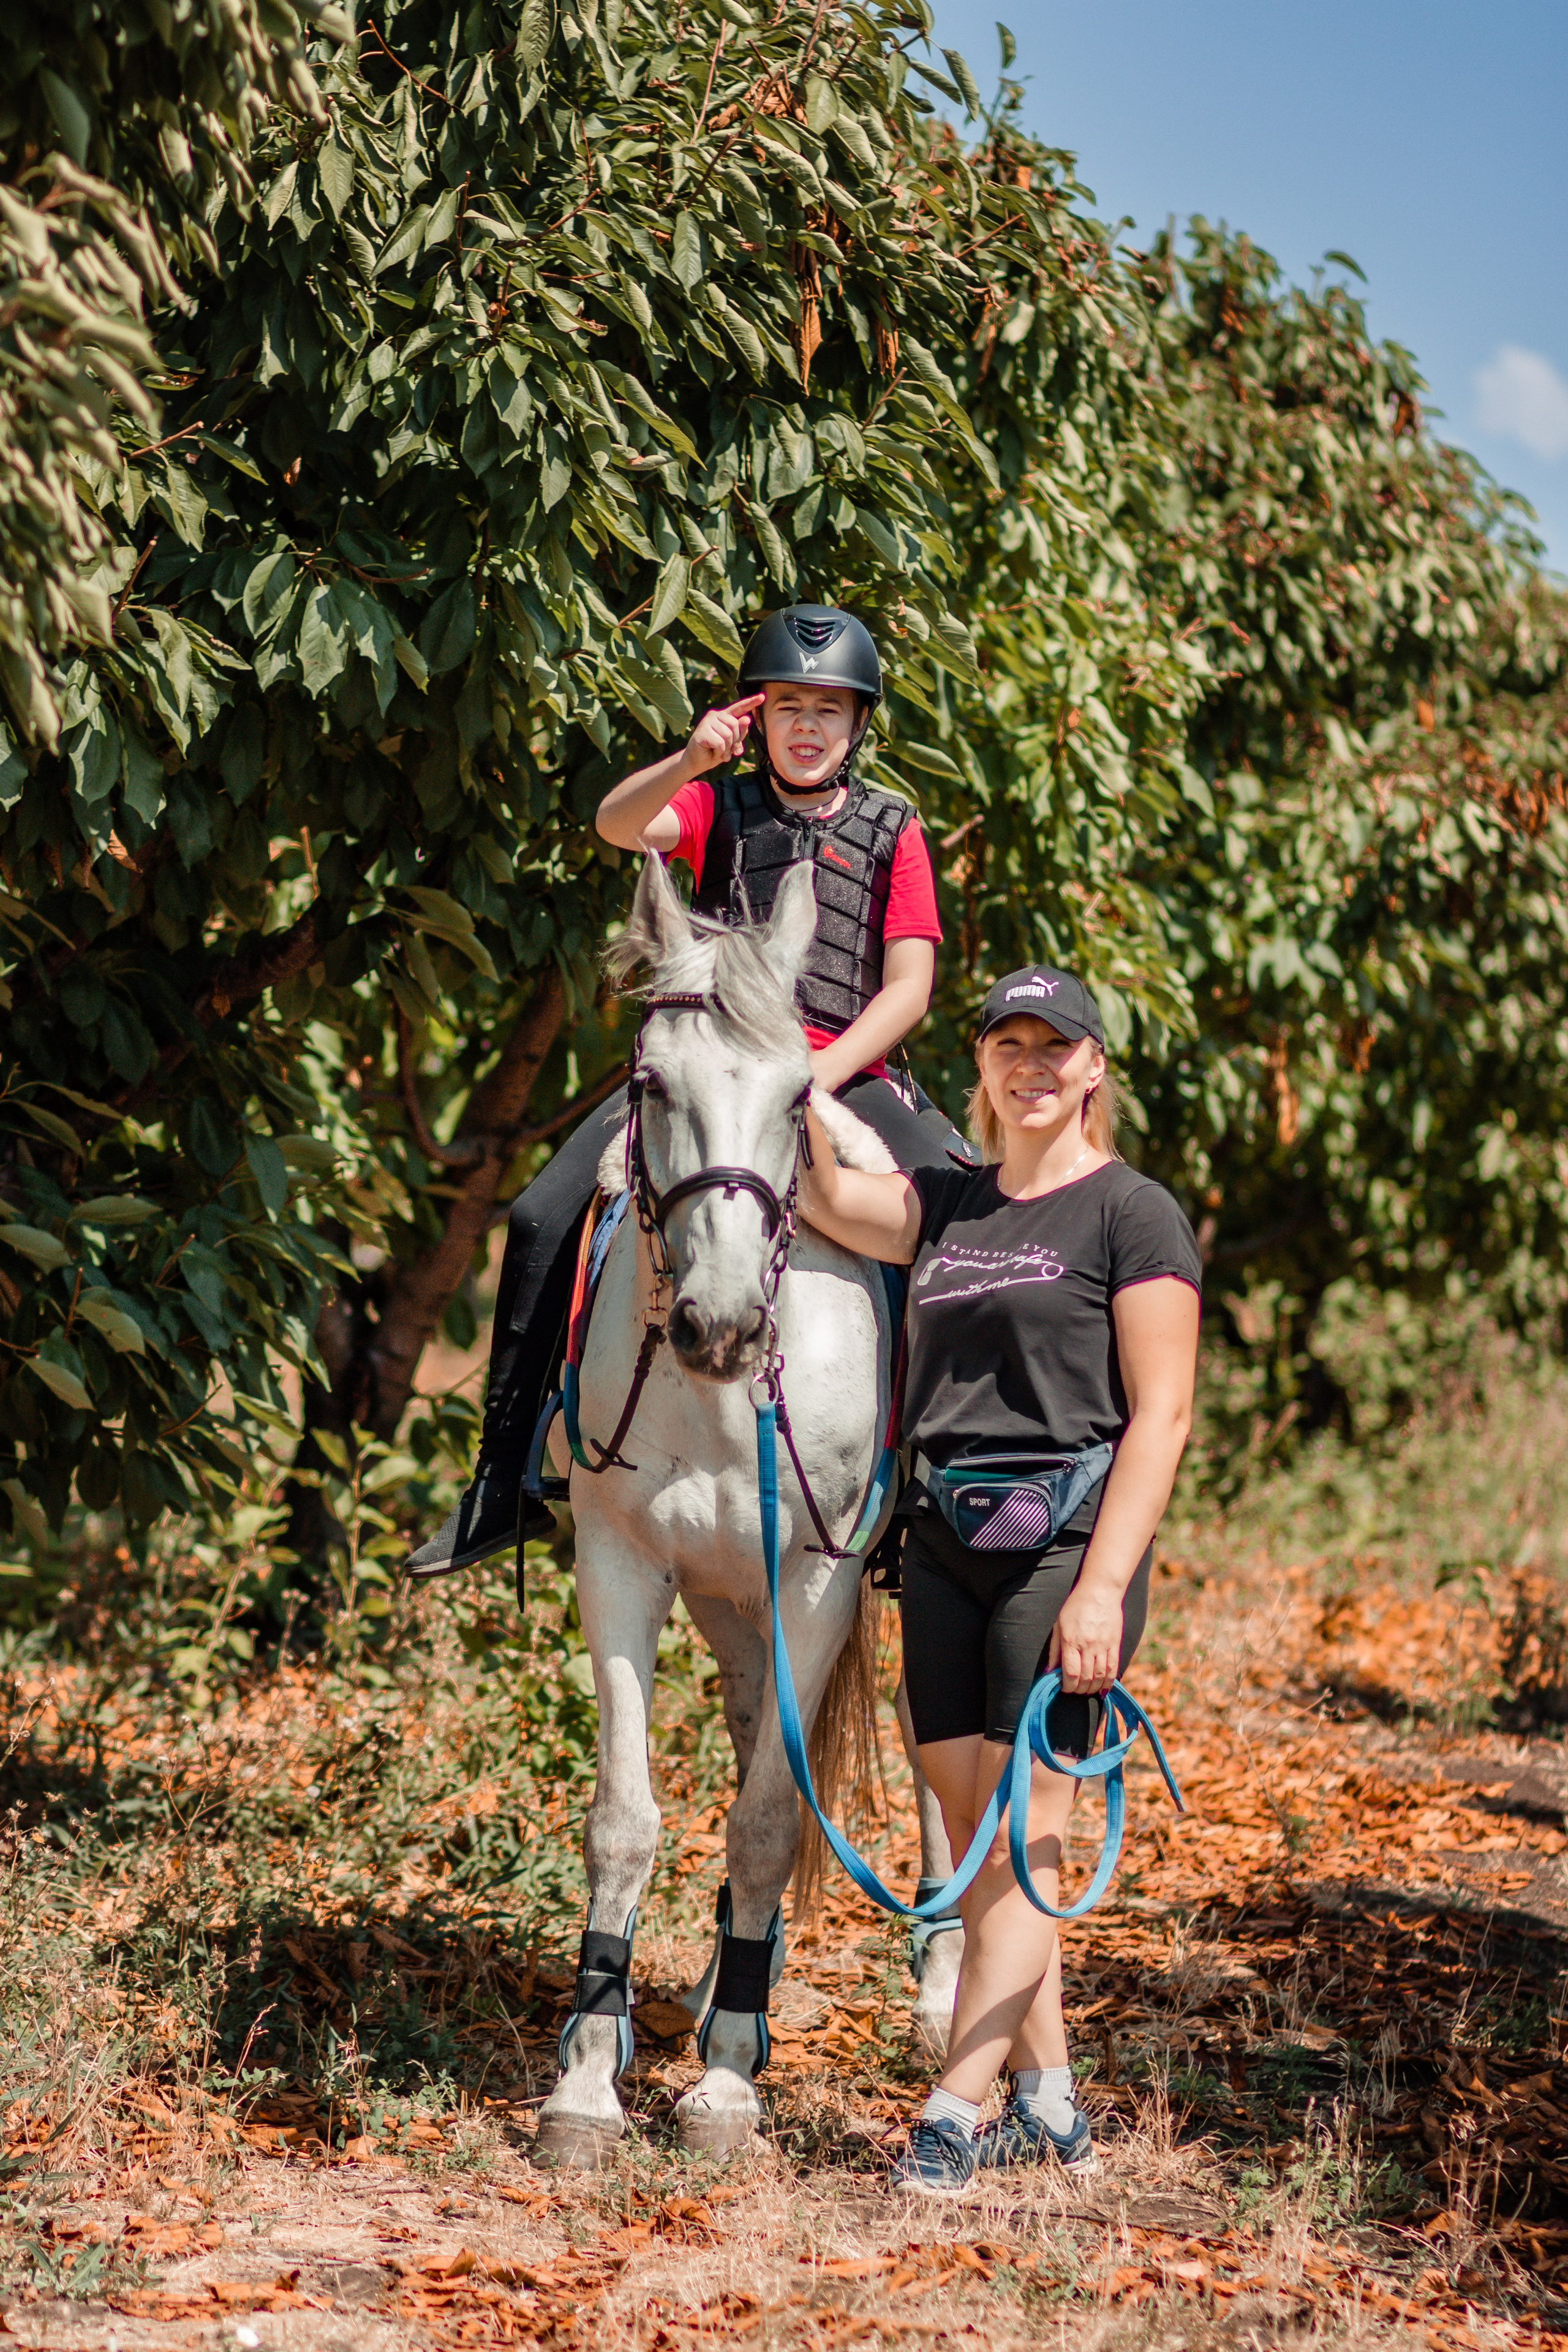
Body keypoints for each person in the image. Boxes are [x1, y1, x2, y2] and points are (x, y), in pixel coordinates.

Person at [405, 604, 974, 1580]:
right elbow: (616, 823)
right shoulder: (716, 807)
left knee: (961, 1218)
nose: (807, 727)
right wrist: (689, 761)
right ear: (757, 717)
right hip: (706, 1074)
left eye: (829, 712)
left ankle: (931, 1487)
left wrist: (815, 1078)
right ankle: (503, 1480)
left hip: (845, 1072)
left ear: (858, 727)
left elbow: (910, 985)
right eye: (788, 706)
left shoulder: (895, 827)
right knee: (543, 1216)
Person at [795, 964, 1202, 2194]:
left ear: (1091, 1069)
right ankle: (1055, 2106)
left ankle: (953, 2112)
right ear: (981, 1067)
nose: (1030, 1067)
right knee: (978, 1851)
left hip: (1066, 1550)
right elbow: (820, 1197)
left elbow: (1164, 1414)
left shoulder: (1131, 1213)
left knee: (1024, 1844)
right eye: (1007, 1046)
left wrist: (1100, 1589)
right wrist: (795, 1077)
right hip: (938, 1547)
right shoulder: (945, 1200)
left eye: (1053, 1048)